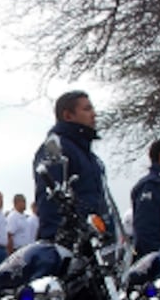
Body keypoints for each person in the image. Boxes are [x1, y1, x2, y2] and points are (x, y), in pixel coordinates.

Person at [33, 90, 110, 242]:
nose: (93, 114)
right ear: (68, 115)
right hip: (73, 245)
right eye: (87, 109)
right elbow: (50, 200)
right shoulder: (57, 149)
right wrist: (58, 244)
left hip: (95, 242)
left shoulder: (90, 157)